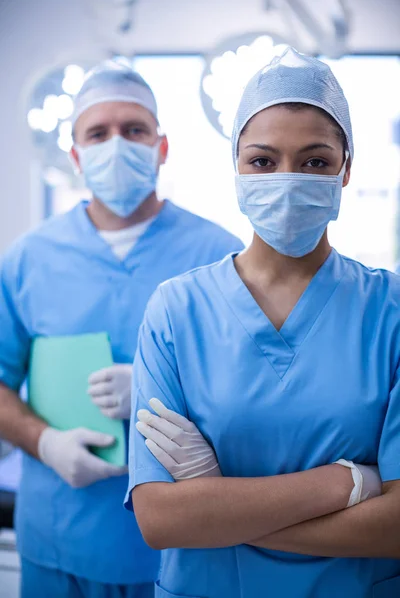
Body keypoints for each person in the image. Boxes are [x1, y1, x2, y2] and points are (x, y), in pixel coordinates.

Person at [127, 48, 400, 597]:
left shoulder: (389, 310)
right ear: (236, 169)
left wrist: (219, 506)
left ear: (346, 172)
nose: (288, 178)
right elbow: (160, 520)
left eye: (315, 161)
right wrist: (346, 484)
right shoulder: (177, 310)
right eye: (262, 160)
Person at [0, 61, 243, 598]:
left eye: (134, 130)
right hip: (60, 541)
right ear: (76, 156)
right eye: (98, 133)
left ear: (161, 147)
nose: (117, 144)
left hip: (181, 547)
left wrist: (161, 389)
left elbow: (254, 392)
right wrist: (44, 443)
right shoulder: (27, 261)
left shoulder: (221, 256)